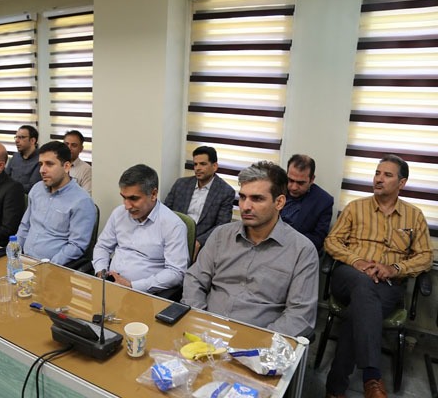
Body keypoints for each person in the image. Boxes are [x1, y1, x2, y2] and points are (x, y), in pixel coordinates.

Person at [323, 154, 433, 398]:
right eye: (377, 173)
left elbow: (425, 256)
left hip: (388, 284)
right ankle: (372, 376)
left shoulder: (414, 215)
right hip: (349, 275)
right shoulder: (355, 208)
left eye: (387, 175)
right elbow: (332, 241)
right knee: (363, 284)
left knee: (358, 311)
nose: (379, 179)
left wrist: (395, 269)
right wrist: (357, 261)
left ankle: (334, 388)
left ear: (401, 183)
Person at [182, 161, 319, 338]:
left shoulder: (302, 251)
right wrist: (200, 321)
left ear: (279, 202)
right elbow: (194, 280)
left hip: (259, 343)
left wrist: (257, 345)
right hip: (204, 333)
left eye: (257, 199)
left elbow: (299, 317)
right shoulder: (221, 235)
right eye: (242, 197)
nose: (245, 206)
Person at [92, 164, 189, 294]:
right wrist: (101, 272)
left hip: (144, 294)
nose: (127, 206)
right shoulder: (119, 213)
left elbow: (176, 272)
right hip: (110, 286)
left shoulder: (173, 225)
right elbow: (102, 246)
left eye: (134, 198)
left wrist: (133, 286)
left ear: (153, 194)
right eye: (124, 197)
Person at [16, 141, 96, 265]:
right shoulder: (37, 189)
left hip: (52, 266)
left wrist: (50, 266)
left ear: (66, 167)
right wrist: (14, 253)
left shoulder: (81, 201)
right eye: (41, 164)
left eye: (49, 164)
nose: (42, 170)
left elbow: (76, 246)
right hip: (23, 261)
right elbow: (25, 226)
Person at [164, 146, 235, 259]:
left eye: (203, 164)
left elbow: (222, 226)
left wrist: (199, 242)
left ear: (214, 166)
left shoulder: (225, 191)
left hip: (203, 243)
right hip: (174, 237)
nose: (197, 168)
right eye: (195, 164)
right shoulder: (181, 184)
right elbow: (165, 211)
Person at [280, 154, 333, 252]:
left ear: (312, 179)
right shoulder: (275, 189)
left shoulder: (324, 201)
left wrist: (288, 242)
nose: (294, 187)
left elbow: (318, 239)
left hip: (297, 250)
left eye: (300, 183)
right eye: (290, 180)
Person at [5, 125, 41, 193]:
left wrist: (10, 186)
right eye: (16, 137)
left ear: (32, 140)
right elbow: (5, 177)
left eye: (21, 137)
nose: (17, 141)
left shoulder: (40, 159)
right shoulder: (15, 156)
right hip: (9, 193)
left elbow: (32, 187)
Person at [64, 130, 92, 195]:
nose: (69, 148)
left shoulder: (86, 169)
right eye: (66, 144)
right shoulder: (56, 165)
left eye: (74, 145)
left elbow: (86, 196)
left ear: (81, 149)